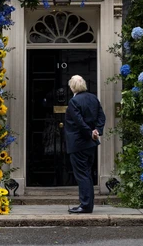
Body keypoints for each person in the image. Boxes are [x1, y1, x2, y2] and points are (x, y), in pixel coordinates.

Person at [64, 75, 106, 214]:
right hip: (91, 143)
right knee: (87, 173)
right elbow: (101, 116)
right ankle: (87, 204)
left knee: (82, 174)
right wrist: (97, 131)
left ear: (72, 87)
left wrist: (90, 132)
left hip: (78, 144)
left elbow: (79, 121)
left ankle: (86, 205)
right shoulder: (93, 98)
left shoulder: (74, 102)